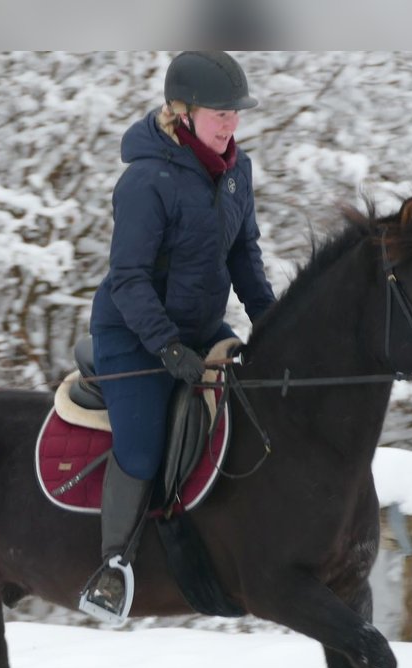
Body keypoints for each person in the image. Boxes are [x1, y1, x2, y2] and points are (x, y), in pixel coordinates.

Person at [79, 50, 276, 624]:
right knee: (142, 447)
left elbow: (245, 255)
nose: (231, 124)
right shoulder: (146, 180)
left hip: (198, 327)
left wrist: (272, 324)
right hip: (132, 333)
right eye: (220, 113)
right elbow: (129, 278)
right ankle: (113, 567)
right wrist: (167, 348)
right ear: (182, 113)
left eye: (236, 113)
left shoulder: (237, 170)